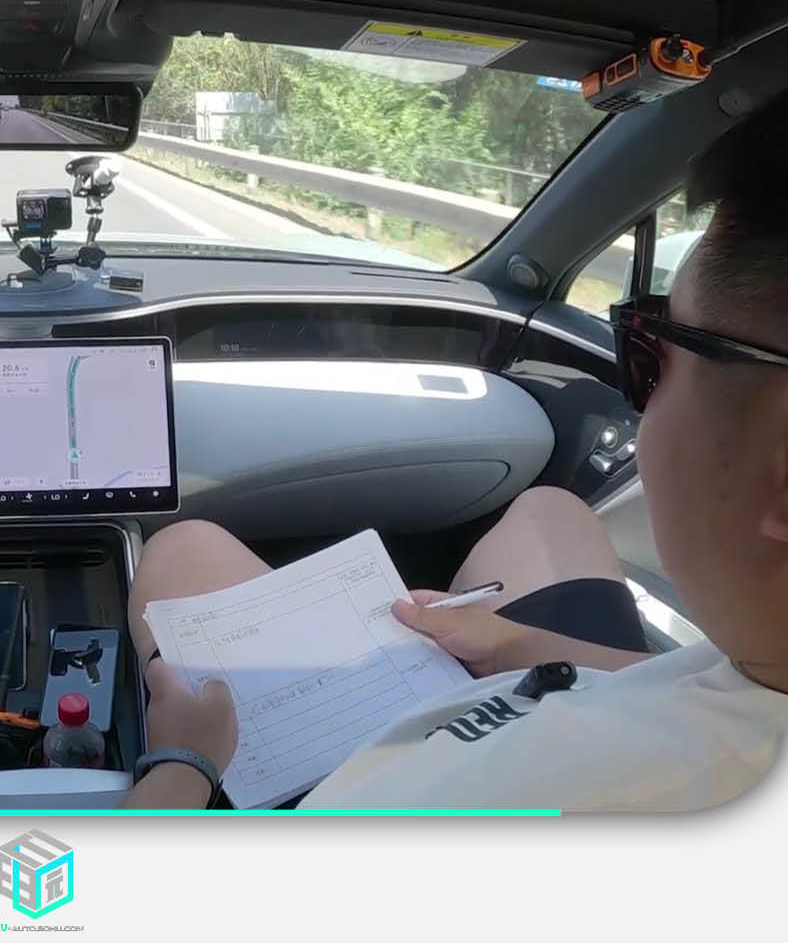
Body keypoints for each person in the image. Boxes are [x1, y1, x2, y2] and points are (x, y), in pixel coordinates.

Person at [126, 90, 788, 811]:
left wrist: (184, 763)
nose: (641, 397)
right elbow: (688, 679)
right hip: (552, 698)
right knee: (550, 510)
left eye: (648, 356)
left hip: (391, 765)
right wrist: (509, 644)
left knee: (183, 547)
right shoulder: (755, 670)